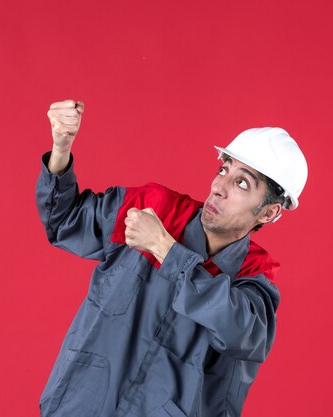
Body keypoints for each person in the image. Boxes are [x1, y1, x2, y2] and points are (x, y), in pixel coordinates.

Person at [35, 99, 308, 417]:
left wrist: (166, 250)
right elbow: (64, 222)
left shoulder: (252, 276)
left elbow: (242, 334)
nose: (218, 187)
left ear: (269, 211)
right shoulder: (154, 208)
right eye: (223, 169)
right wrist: (61, 149)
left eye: (241, 183)